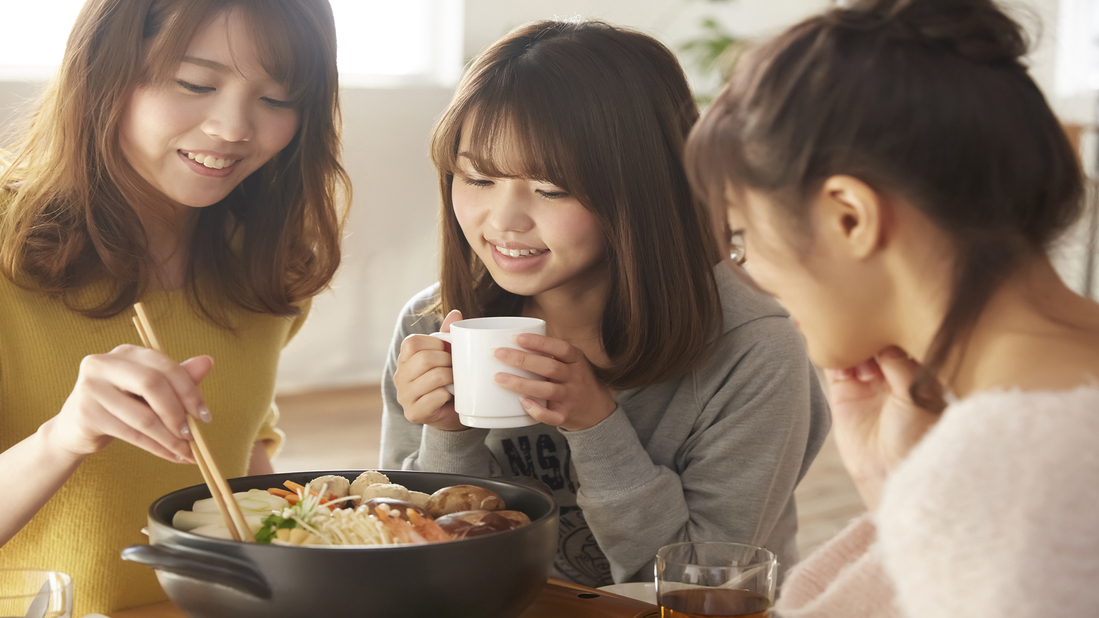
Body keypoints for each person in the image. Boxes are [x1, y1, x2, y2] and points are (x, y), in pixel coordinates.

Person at [380, 19, 830, 588]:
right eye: (477, 178)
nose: (502, 221)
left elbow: (701, 584)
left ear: (643, 186)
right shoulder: (432, 325)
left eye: (550, 189)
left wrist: (596, 427)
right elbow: (408, 556)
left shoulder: (755, 346)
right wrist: (450, 434)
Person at [685, 0, 1099, 615]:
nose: (747, 274)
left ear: (848, 216)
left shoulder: (1009, 471)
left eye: (742, 237)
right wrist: (898, 486)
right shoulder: (1012, 452)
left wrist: (933, 485)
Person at [0, 0, 347, 613]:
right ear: (104, 70)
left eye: (277, 98)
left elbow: (244, 455)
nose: (234, 128)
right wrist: (63, 437)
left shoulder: (269, 265)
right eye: (195, 83)